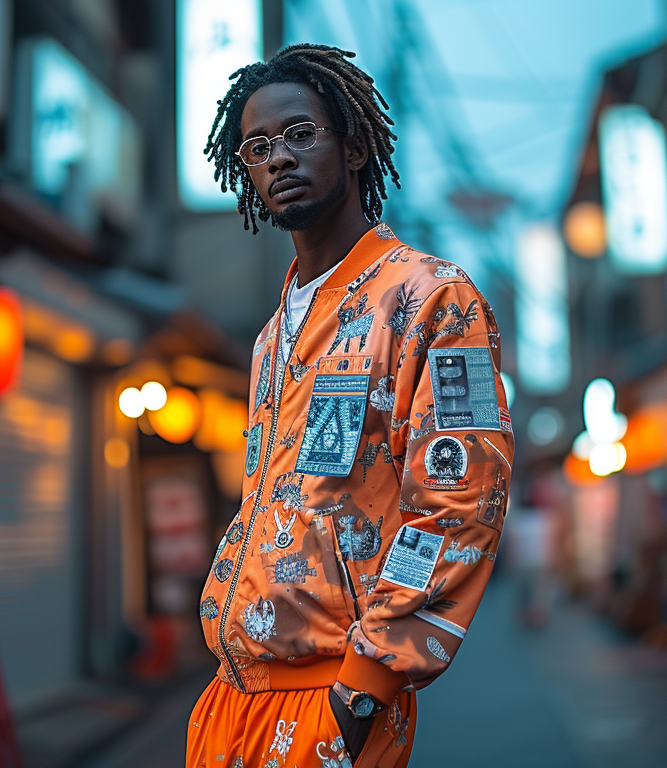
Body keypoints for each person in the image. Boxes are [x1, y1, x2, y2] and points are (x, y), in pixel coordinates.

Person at [187, 45, 514, 768]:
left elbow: (460, 504)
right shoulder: (273, 335)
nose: (279, 158)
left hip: (332, 697)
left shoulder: (434, 299)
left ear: (356, 145)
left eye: (301, 134)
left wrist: (364, 688)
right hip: (230, 699)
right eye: (259, 146)